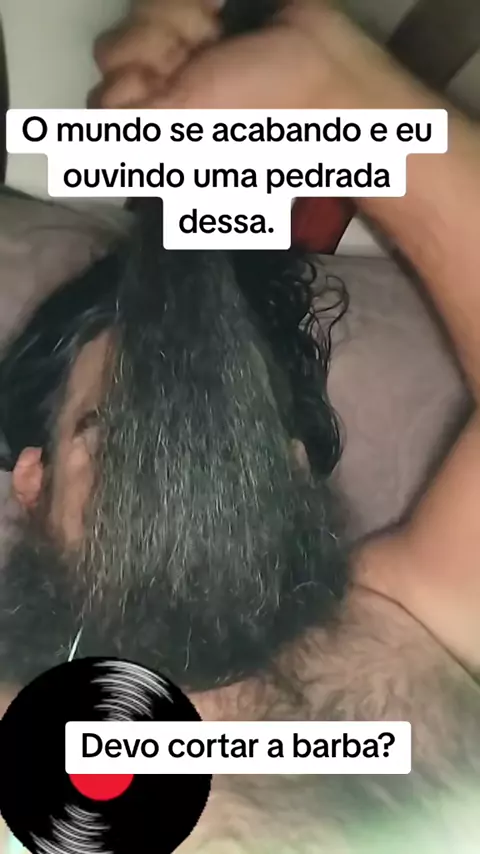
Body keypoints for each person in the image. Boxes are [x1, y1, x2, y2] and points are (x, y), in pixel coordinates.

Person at [1, 0, 480, 850]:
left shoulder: (416, 613)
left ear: (293, 466)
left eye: (224, 448)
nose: (167, 484)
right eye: (107, 433)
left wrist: (342, 95)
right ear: (30, 483)